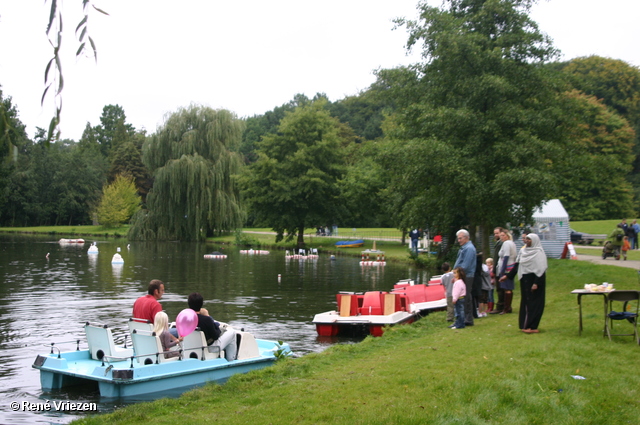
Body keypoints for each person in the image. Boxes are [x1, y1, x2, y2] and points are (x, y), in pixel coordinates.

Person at [500, 233, 547, 333]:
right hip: (525, 279)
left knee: (535, 303)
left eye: (529, 239)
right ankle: (525, 325)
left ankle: (533, 326)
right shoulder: (523, 251)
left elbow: (541, 269)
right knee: (526, 302)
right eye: (526, 239)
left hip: (535, 280)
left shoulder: (539, 252)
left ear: (534, 240)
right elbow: (517, 265)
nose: (527, 241)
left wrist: (536, 283)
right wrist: (508, 276)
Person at [187, 292, 237, 361]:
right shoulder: (206, 319)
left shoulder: (185, 319)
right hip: (210, 347)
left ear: (189, 304)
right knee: (232, 332)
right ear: (201, 304)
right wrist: (208, 316)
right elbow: (216, 335)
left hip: (191, 346)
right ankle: (231, 360)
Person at [453, 229, 476, 326]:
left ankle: (467, 319)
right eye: (458, 238)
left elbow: (465, 265)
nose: (459, 240)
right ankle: (463, 319)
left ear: (466, 237)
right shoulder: (464, 248)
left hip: (467, 276)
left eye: (460, 238)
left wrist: (457, 275)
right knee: (464, 297)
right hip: (461, 275)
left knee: (465, 298)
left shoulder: (469, 248)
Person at [497, 229, 517, 314]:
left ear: (507, 236)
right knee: (507, 287)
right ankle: (507, 306)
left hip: (507, 267)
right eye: (500, 235)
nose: (501, 237)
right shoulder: (512, 243)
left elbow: (506, 256)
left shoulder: (506, 243)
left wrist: (502, 270)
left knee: (507, 288)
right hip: (511, 265)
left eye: (503, 235)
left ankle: (507, 307)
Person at [490, 227, 504, 315]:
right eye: (494, 233)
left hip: (499, 268)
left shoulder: (501, 244)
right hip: (497, 267)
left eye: (497, 233)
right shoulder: (498, 243)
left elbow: (496, 257)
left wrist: (494, 269)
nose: (496, 235)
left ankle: (500, 306)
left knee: (500, 288)